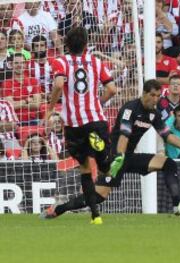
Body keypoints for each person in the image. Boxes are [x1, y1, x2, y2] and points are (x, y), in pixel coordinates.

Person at [41, 79, 180, 219]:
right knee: (98, 197)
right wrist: (119, 157)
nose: (155, 99)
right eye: (152, 95)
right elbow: (124, 136)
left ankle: (178, 206)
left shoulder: (154, 114)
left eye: (158, 96)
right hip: (116, 157)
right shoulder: (130, 110)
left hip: (130, 157)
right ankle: (59, 209)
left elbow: (168, 136)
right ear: (144, 93)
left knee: (169, 163)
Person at [44, 27, 117, 224]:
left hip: (74, 124)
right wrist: (97, 103)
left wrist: (50, 109)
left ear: (67, 44)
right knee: (104, 167)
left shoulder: (60, 61)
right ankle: (102, 156)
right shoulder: (96, 62)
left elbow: (59, 84)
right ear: (86, 45)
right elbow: (112, 89)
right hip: (95, 118)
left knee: (84, 168)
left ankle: (96, 216)